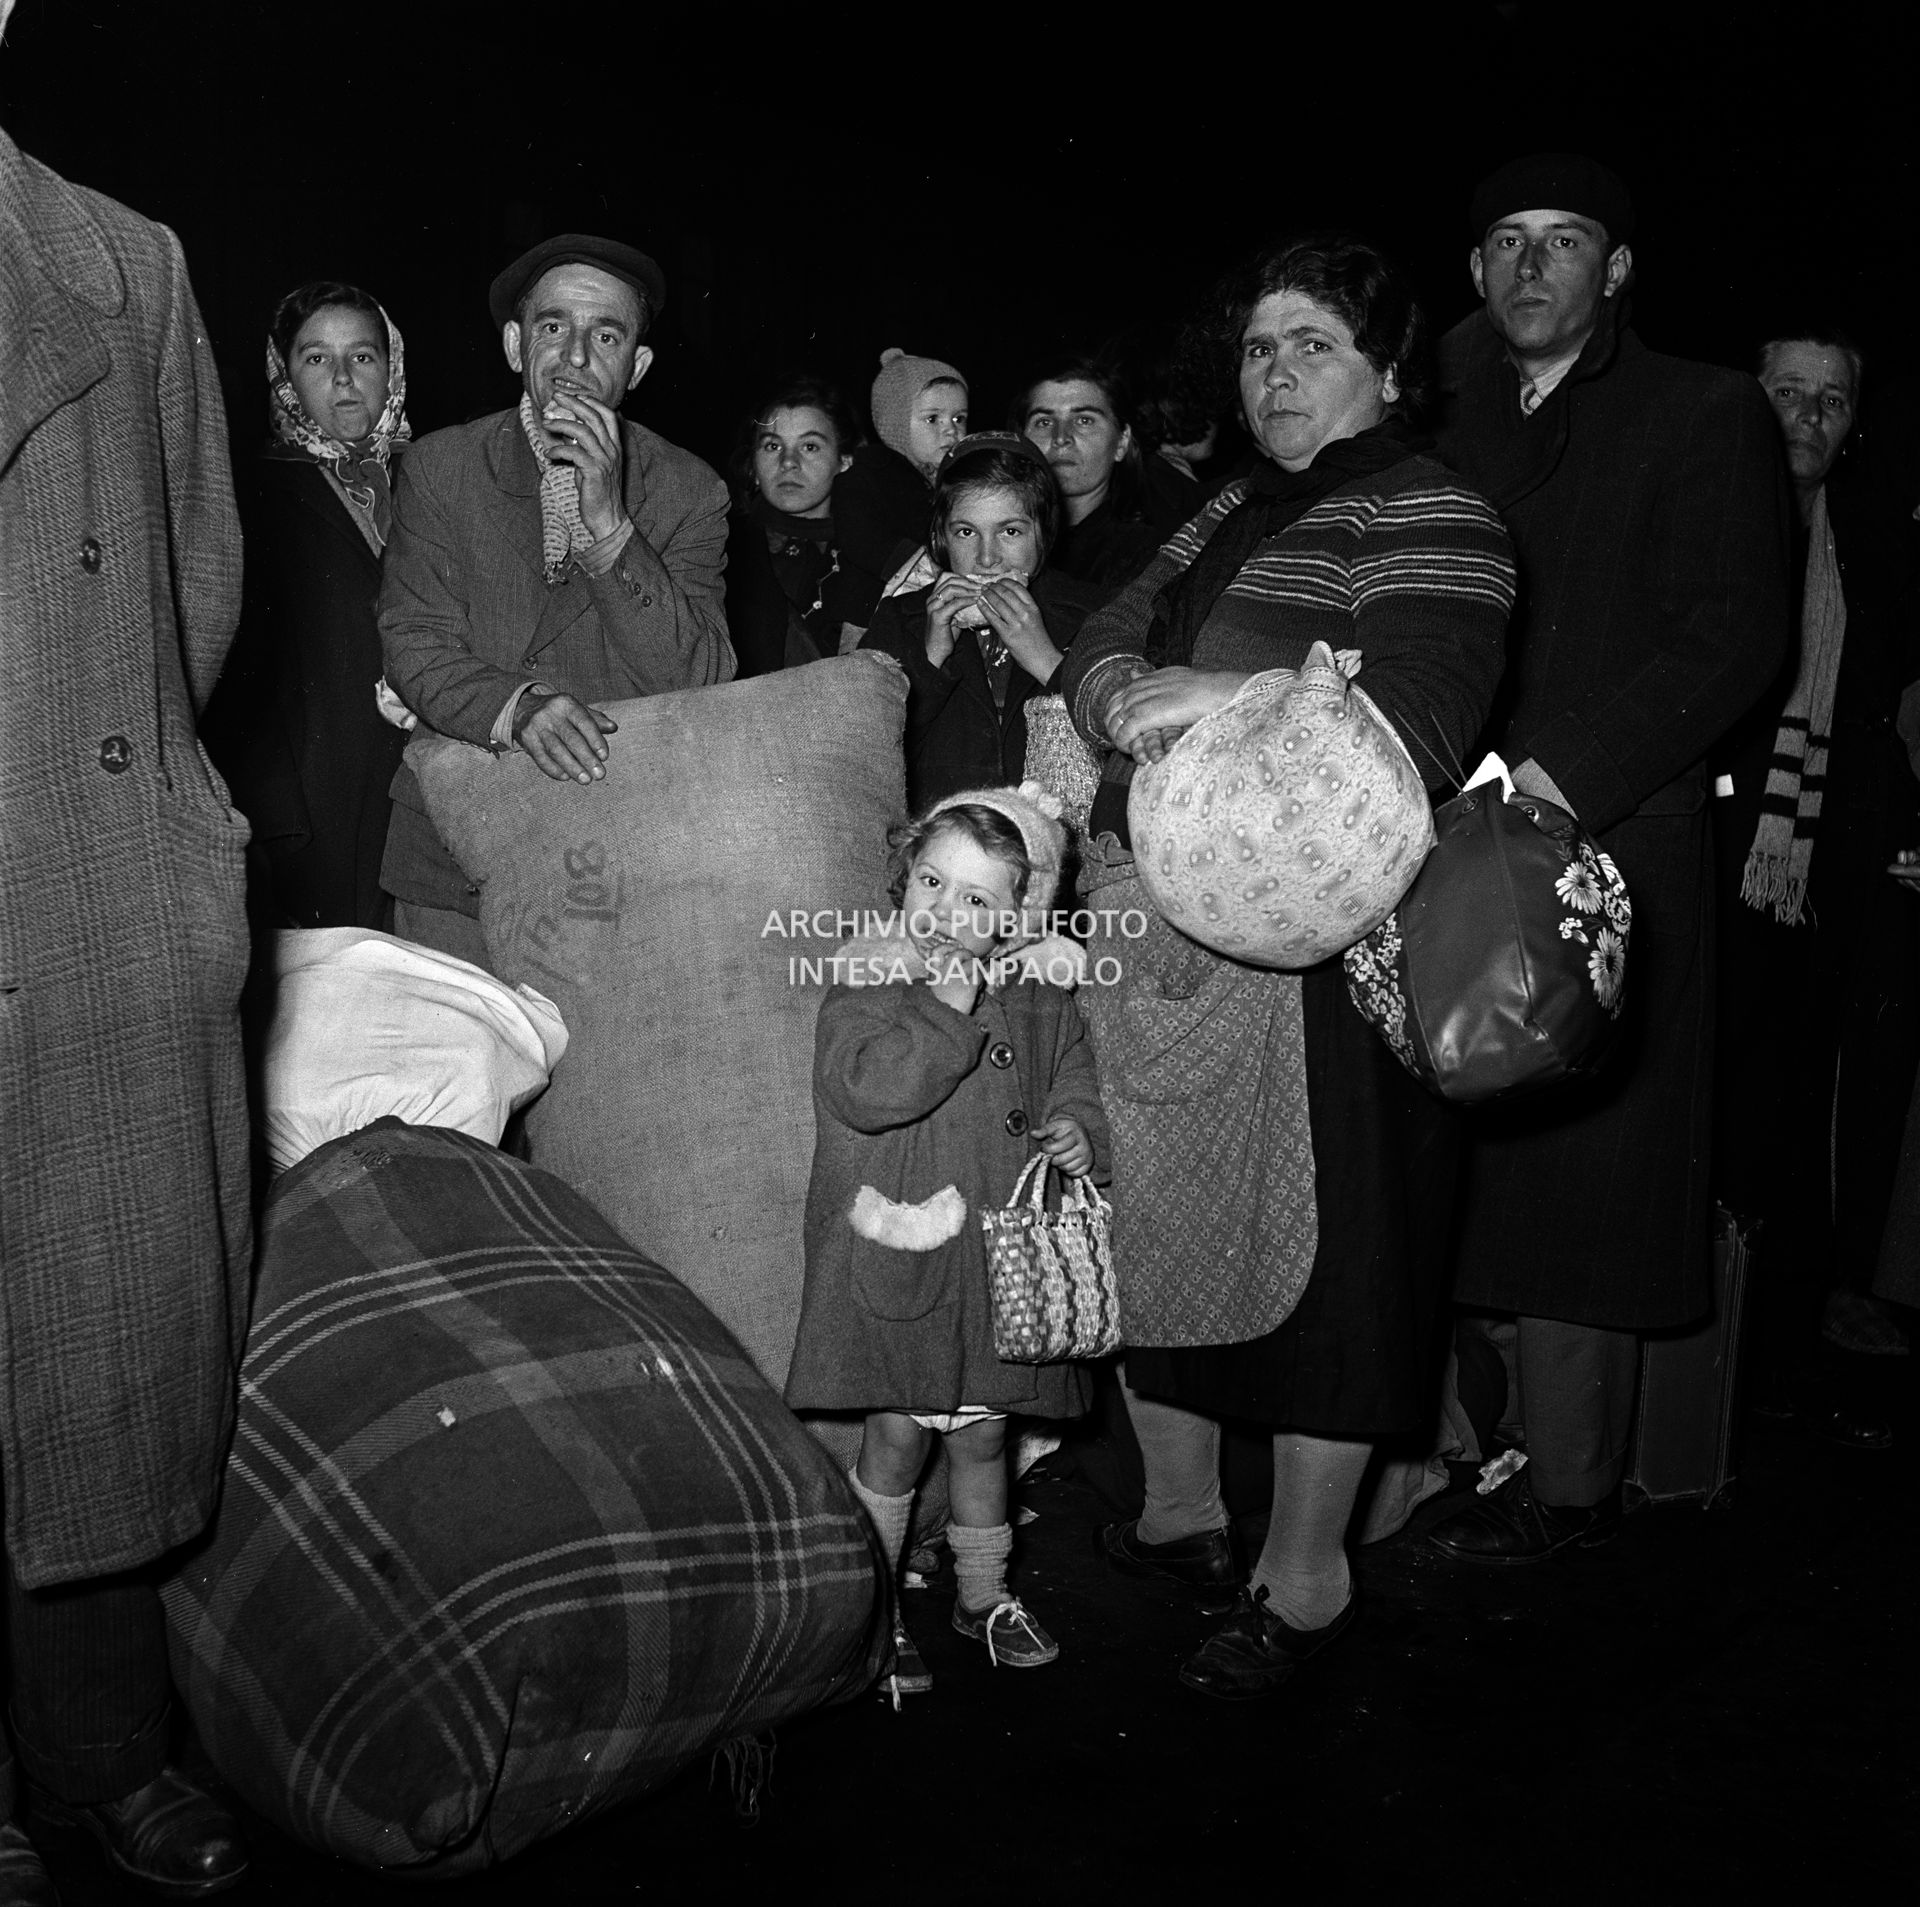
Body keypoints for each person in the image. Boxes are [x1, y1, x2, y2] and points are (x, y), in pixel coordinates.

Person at [1060, 235, 1515, 1697]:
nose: (1276, 372)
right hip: (1167, 939)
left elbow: (1425, 726)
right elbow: (1102, 640)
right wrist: (1126, 681)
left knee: (1339, 1255)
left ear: (1389, 367)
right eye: (1259, 348)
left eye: (1311, 342)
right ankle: (1182, 1513)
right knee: (1171, 1214)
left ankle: (1304, 1578)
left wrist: (1232, 690)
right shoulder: (1221, 508)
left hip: (1337, 945)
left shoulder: (1435, 505)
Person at [1429, 154, 1790, 1563]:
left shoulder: (1702, 412)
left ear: (1616, 269)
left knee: (1580, 1164)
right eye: (1507, 241)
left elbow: (1734, 637)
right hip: (1436, 833)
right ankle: (1454, 1449)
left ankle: (1562, 1484)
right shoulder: (1430, 412)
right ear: (1475, 270)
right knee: (1446, 1138)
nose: (1532, 267)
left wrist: (1550, 775)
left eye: (1565, 242)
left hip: (1606, 843)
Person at [0, 18, 253, 1896]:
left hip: (76, 875)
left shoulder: (122, 256)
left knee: (92, 1351)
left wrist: (148, 812)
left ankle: (98, 1751)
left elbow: (195, 595)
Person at [784, 786, 1109, 1690]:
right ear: (901, 879)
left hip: (998, 1270)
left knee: (982, 1441)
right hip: (908, 1260)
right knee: (893, 1439)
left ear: (1019, 919)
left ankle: (982, 1594)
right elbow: (867, 1091)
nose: (945, 911)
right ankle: (873, 1610)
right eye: (932, 880)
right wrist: (943, 1004)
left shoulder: (1038, 998)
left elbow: (1076, 1074)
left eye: (977, 900)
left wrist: (1084, 1129)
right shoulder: (868, 982)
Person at [378, 233, 733, 967]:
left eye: (605, 334)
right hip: (450, 855)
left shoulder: (691, 491)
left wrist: (610, 527)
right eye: (553, 327)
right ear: (514, 345)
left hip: (613, 860)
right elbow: (413, 641)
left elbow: (700, 678)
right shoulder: (441, 467)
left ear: (636, 366)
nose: (575, 356)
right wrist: (520, 706)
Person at [1713, 327, 1919, 1421]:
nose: (1807, 416)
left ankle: (1804, 1297)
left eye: (1830, 402)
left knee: (1819, 1075)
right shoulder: (1706, 517)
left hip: (1832, 849)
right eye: (1787, 392)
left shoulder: (1874, 539)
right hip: (1712, 848)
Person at [203, 280, 413, 929]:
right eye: (317, 359)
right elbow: (234, 688)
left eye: (364, 356)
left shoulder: (435, 480)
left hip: (428, 800)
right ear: (284, 376)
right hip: (319, 816)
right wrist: (274, 830)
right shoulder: (247, 495)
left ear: (393, 367)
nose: (345, 379)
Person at [860, 434, 1103, 809]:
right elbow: (863, 761)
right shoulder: (900, 618)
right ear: (940, 538)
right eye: (966, 532)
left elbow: (1119, 744)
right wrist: (930, 659)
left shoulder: (1094, 614)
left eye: (1010, 531)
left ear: (1044, 534)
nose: (987, 559)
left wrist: (1047, 663)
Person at [723, 375, 883, 674]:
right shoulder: (719, 547)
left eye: (809, 446)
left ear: (844, 460)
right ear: (754, 466)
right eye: (772, 446)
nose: (788, 462)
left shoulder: (872, 556)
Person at [1016, 358, 1201, 597]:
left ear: (1122, 442)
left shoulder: (1146, 556)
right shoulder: (997, 538)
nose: (1061, 437)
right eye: (1044, 422)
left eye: (1084, 420)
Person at [831, 348, 969, 587]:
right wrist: (921, 568)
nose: (950, 429)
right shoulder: (868, 477)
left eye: (959, 418)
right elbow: (860, 537)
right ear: (896, 421)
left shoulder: (958, 480)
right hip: (873, 608)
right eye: (933, 419)